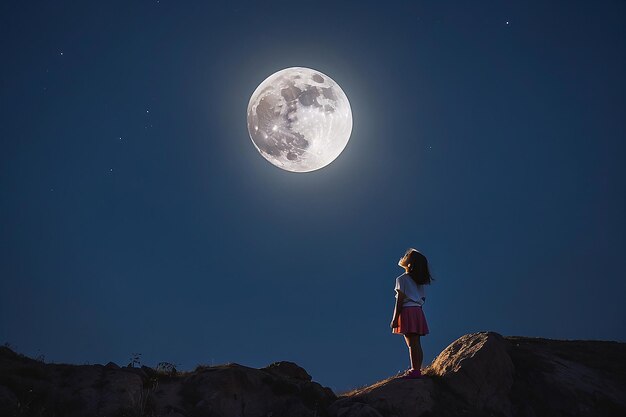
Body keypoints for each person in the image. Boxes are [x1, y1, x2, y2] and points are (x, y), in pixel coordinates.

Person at [390, 248, 434, 379]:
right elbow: (423, 299)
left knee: (411, 344)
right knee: (417, 343)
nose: (405, 256)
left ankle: (414, 371)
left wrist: (395, 319)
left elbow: (399, 301)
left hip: (407, 311)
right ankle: (417, 369)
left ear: (410, 263)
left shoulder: (401, 279)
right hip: (418, 311)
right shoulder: (419, 281)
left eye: (407, 256)